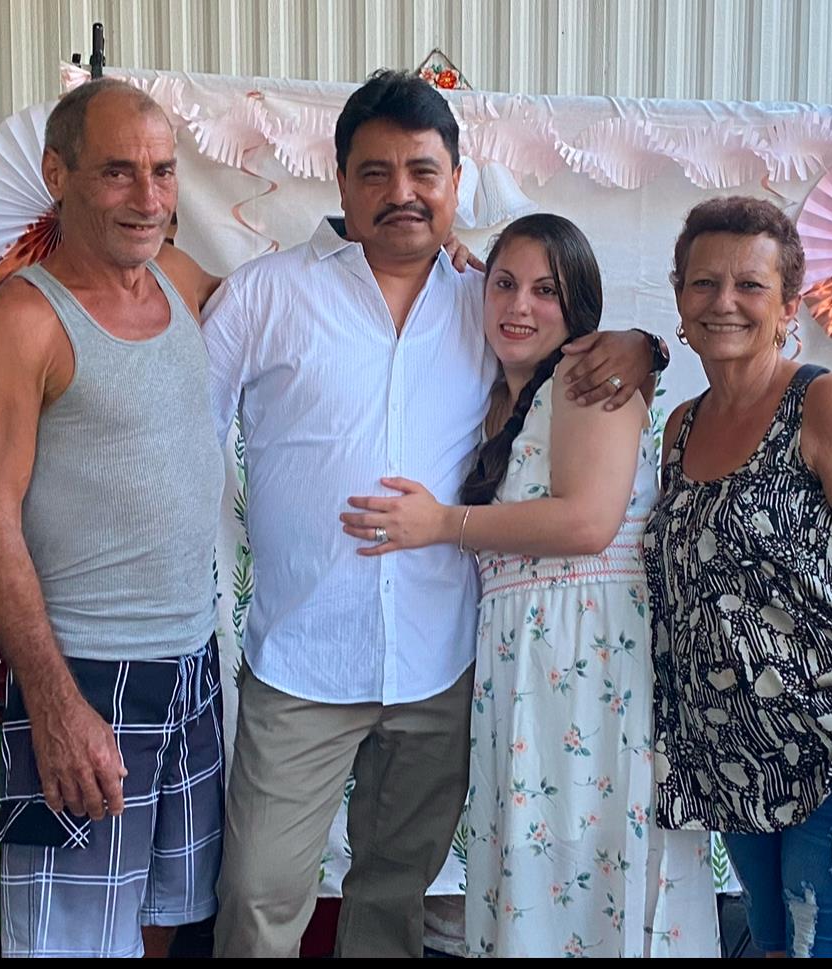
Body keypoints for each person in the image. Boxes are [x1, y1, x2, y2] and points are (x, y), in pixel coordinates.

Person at [201, 70, 660, 958]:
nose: (401, 193)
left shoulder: (488, 303)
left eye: (423, 171)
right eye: (375, 172)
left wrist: (644, 343)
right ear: (339, 182)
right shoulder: (268, 295)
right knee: (260, 893)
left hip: (438, 663)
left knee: (392, 893)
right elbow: (191, 432)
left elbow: (582, 341)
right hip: (303, 660)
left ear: (457, 181)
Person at [338, 213, 718, 957]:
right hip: (528, 674)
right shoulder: (500, 398)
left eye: (547, 291)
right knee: (539, 866)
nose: (519, 306)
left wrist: (445, 523)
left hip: (591, 670)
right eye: (504, 285)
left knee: (585, 863)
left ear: (578, 308)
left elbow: (586, 521)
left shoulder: (583, 385)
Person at [0, 78, 227, 958]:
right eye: (118, 172)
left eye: (162, 170)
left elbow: (301, 307)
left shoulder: (178, 281)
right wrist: (53, 703)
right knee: (69, 941)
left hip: (190, 663)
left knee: (160, 917)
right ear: (57, 173)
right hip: (86, 676)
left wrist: (444, 252)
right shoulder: (22, 319)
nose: (148, 198)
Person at [644, 196, 832, 958]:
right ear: (679, 300)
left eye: (750, 286)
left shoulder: (825, 403)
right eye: (703, 283)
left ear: (789, 306)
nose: (724, 302)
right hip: (736, 751)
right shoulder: (680, 425)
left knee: (825, 947)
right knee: (777, 942)